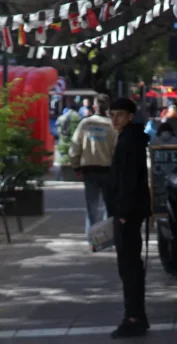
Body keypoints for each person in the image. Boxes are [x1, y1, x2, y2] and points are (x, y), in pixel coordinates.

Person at [106, 97, 151, 338]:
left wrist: (123, 213)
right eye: (112, 114)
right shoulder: (129, 138)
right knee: (130, 266)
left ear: (130, 116)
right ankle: (136, 315)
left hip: (127, 214)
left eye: (119, 114)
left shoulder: (130, 141)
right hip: (128, 212)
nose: (115, 119)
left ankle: (134, 317)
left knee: (129, 267)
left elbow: (129, 180)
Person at [69, 94, 117, 251]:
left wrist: (76, 166)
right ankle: (107, 240)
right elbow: (117, 150)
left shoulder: (85, 123)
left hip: (89, 170)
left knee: (92, 208)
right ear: (108, 108)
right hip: (108, 171)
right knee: (110, 207)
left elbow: (74, 147)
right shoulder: (112, 126)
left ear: (94, 106)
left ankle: (93, 242)